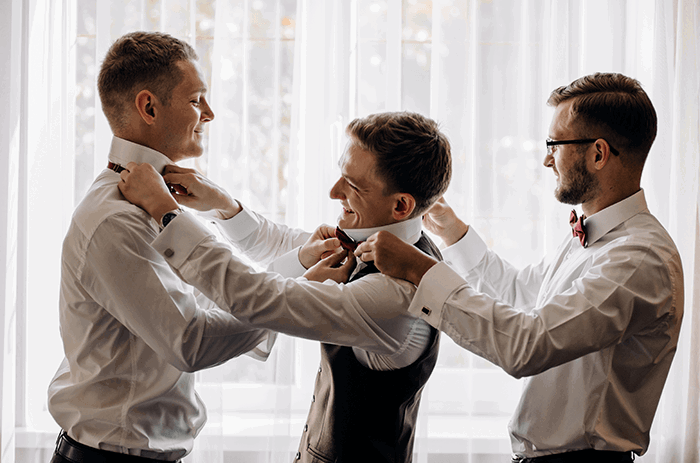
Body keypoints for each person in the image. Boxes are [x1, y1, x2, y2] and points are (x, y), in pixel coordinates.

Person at [354, 73, 684, 463]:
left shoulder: (637, 259)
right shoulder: (592, 239)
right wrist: (454, 234)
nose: (547, 159)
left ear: (598, 154)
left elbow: (528, 344)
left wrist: (419, 271)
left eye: (554, 144)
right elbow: (520, 293)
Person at [117, 111, 452, 462]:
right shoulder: (386, 239)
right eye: (341, 173)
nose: (333, 191)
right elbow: (283, 244)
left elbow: (259, 297)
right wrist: (222, 205)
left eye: (352, 186)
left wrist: (168, 214)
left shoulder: (395, 296)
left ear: (401, 205)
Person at [48, 31, 277, 463]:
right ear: (149, 107)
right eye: (196, 100)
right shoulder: (116, 220)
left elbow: (217, 292)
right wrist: (286, 309)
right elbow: (190, 341)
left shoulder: (160, 204)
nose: (209, 114)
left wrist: (294, 278)